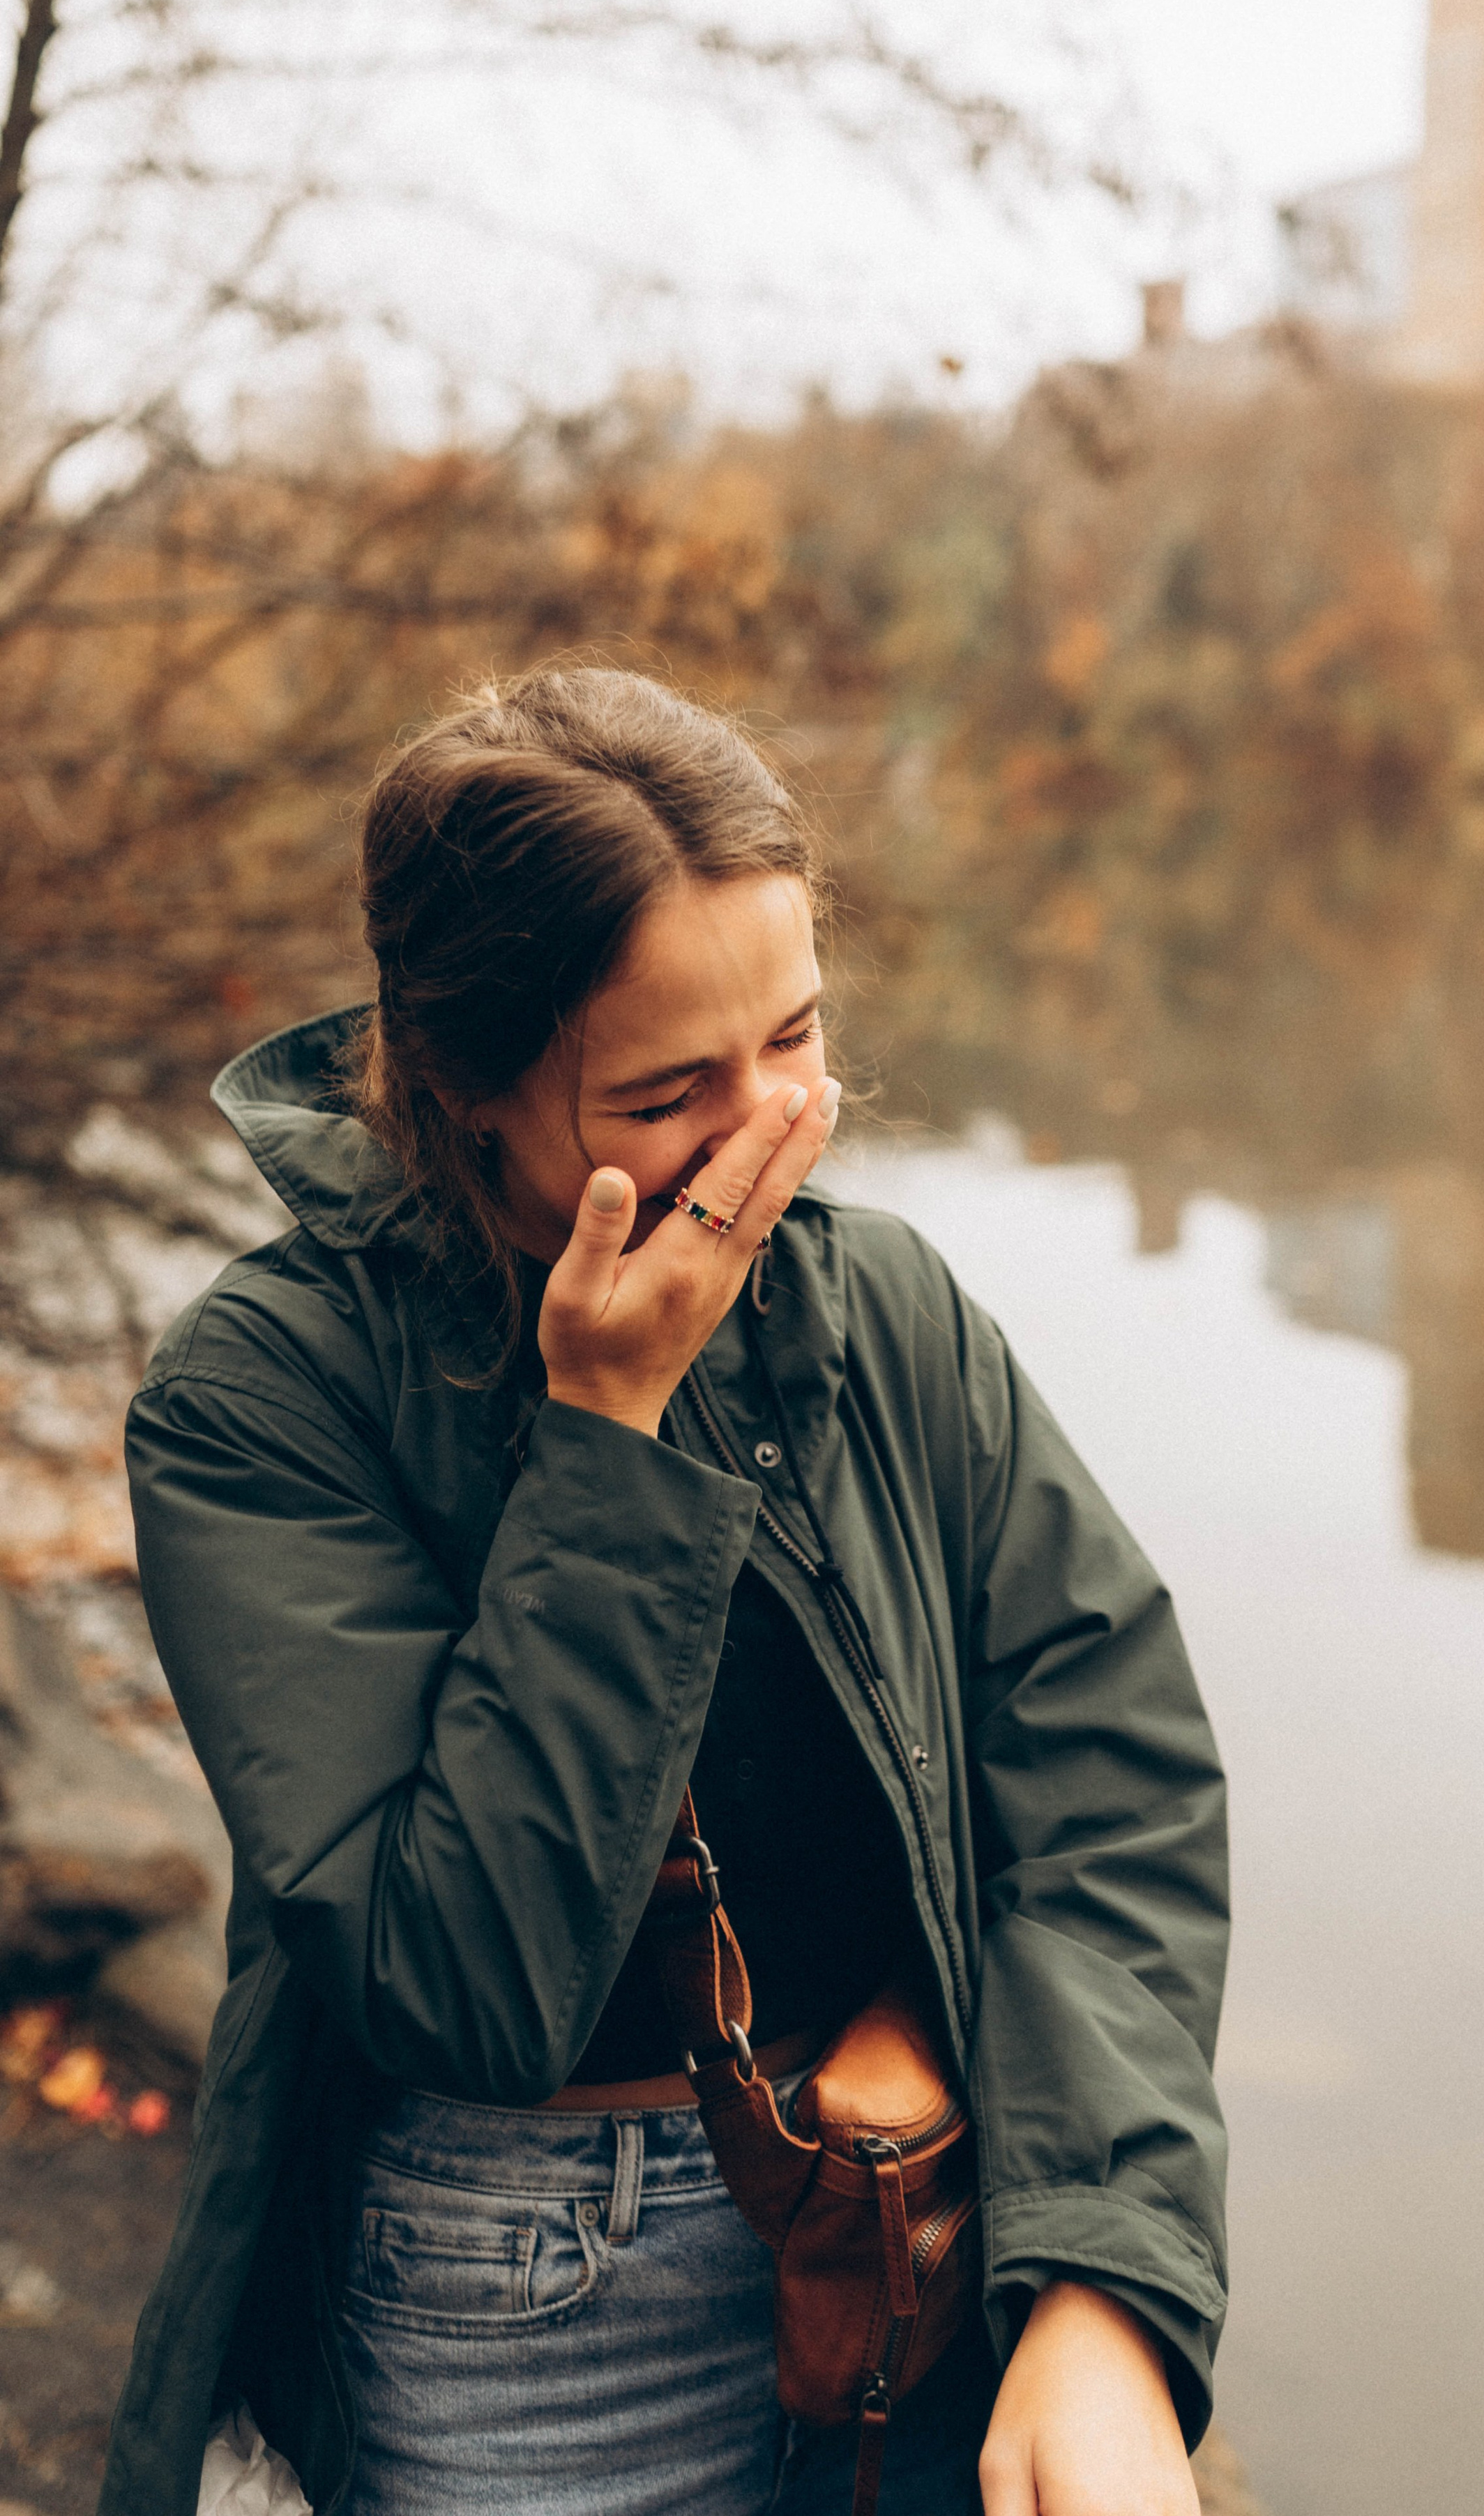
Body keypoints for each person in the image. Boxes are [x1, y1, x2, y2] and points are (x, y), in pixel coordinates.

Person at [98, 666, 1229, 2516]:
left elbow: (1111, 1785)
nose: (776, 1126)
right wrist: (607, 1435)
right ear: (466, 1088)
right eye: (669, 1088)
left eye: (797, 1035)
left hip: (914, 2218)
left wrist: (1101, 2283)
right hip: (522, 2308)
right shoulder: (263, 1397)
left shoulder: (888, 1313)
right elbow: (459, 1980)